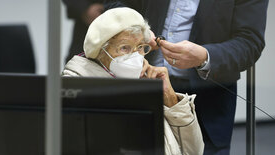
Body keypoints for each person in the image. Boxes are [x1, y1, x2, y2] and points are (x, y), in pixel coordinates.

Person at [104, 0, 269, 154]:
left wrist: (205, 56)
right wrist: (133, 30)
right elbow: (116, 4)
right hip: (140, 92)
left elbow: (249, 42)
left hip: (206, 105)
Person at [62, 7, 204, 155]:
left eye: (141, 47)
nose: (136, 56)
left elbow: (195, 152)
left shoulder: (147, 85)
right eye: (125, 48)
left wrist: (171, 99)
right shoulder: (74, 91)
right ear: (99, 51)